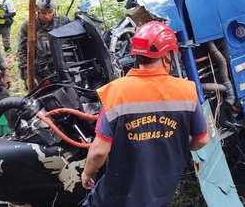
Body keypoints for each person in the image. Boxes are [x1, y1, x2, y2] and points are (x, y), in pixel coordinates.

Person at [81, 21, 209, 207]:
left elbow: (99, 151)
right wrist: (176, 141)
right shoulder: (187, 91)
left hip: (118, 197)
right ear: (166, 55)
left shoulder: (116, 92)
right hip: (160, 194)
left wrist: (88, 173)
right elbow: (202, 140)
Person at [17, 0, 70, 88]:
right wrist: (28, 76)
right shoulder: (28, 25)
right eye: (43, 13)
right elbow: (22, 51)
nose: (47, 16)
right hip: (39, 72)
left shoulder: (63, 21)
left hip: (62, 67)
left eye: (50, 12)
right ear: (37, 12)